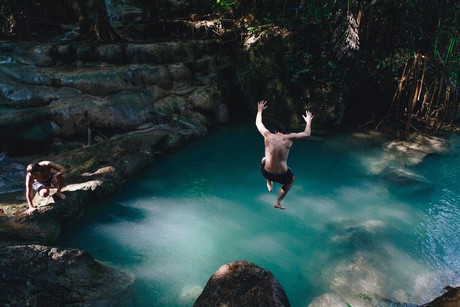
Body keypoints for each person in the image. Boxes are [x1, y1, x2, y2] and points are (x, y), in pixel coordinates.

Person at [256, 100, 314, 210]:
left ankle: (269, 182)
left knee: (264, 159)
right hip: (281, 175)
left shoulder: (268, 135)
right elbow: (307, 133)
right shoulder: (289, 138)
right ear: (286, 133)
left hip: (265, 173)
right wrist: (308, 121)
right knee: (291, 180)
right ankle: (278, 202)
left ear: (275, 130)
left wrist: (259, 110)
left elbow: (258, 123)